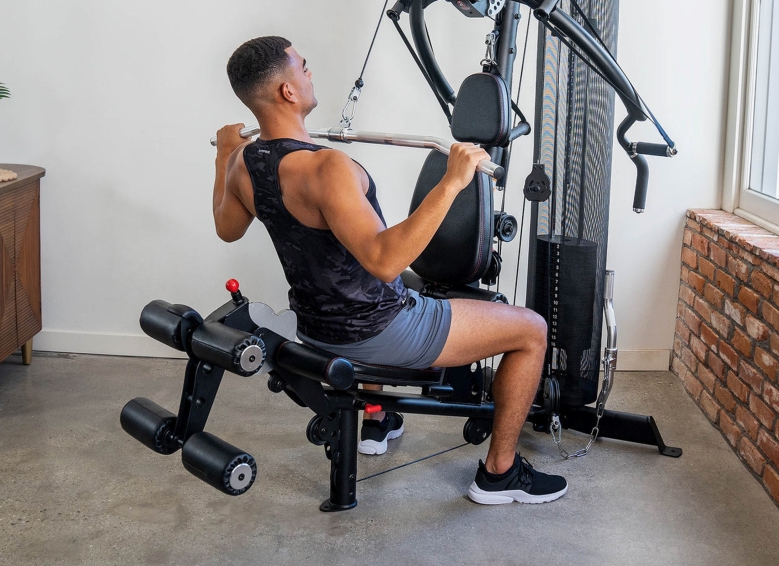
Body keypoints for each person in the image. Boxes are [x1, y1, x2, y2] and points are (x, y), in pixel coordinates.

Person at [213, 36, 567, 505]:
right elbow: (384, 262)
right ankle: (500, 474)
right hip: (377, 329)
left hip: (315, 327)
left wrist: (223, 155)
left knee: (371, 279)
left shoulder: (243, 162)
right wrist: (453, 181)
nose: (310, 72)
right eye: (303, 66)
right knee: (532, 330)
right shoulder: (326, 168)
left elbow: (227, 229)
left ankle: (377, 417)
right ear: (288, 91)